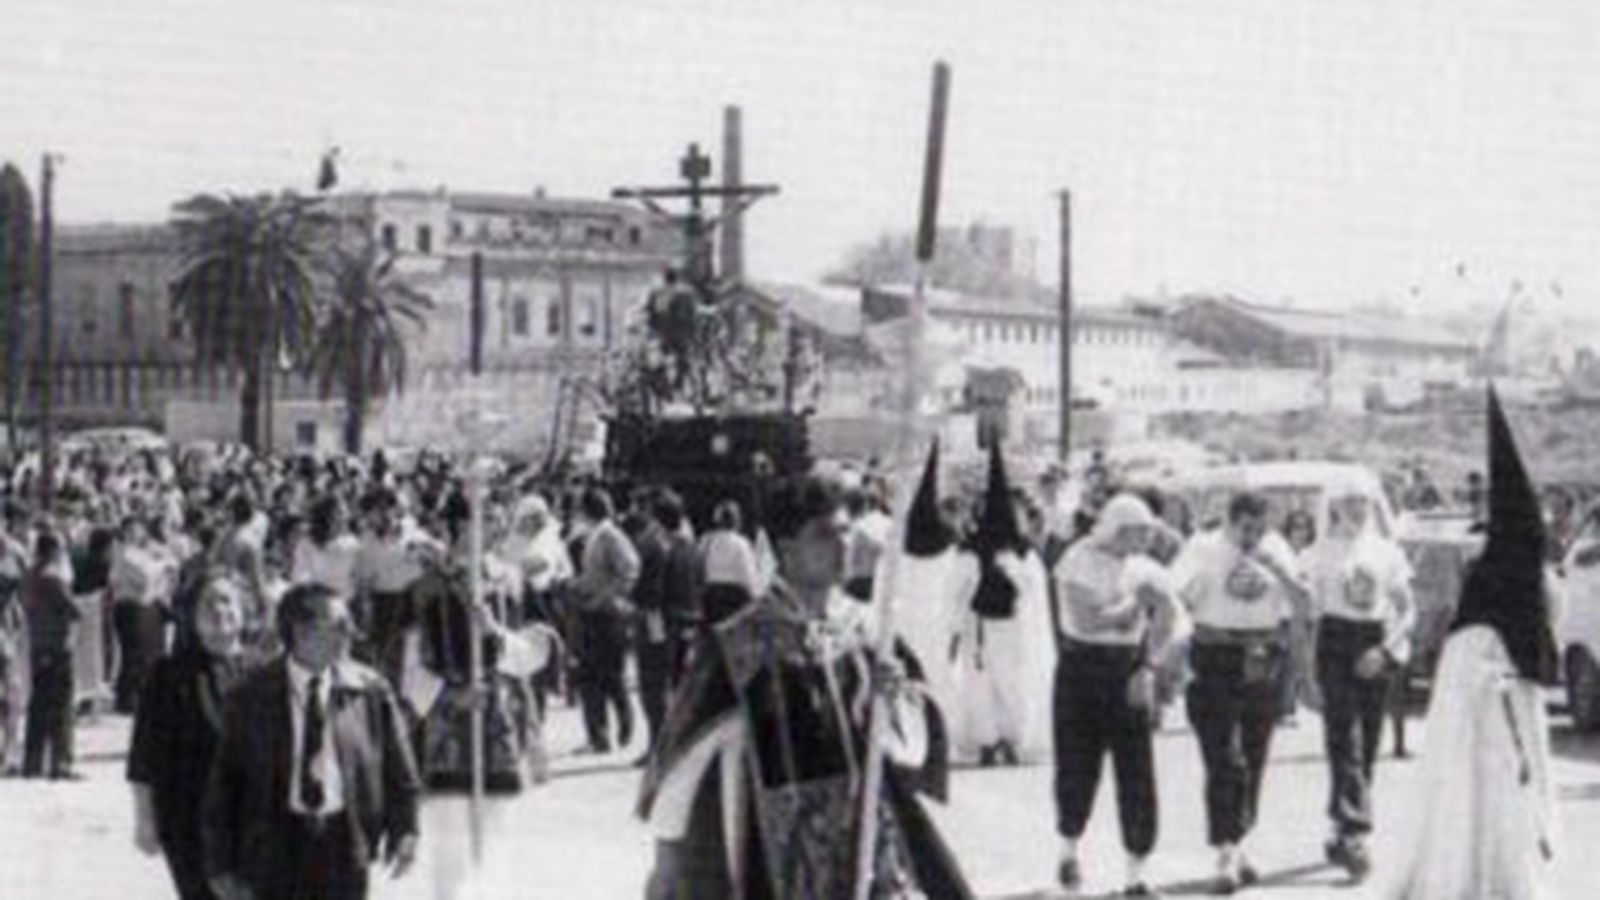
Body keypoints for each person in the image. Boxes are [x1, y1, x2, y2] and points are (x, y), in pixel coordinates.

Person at [638, 475, 974, 899]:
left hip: (868, 833)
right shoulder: (741, 641)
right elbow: (684, 755)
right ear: (785, 549)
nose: (843, 546)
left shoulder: (866, 627)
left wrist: (896, 700)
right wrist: (671, 856)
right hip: (774, 847)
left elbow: (908, 741)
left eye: (846, 532)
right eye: (824, 535)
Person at [1383, 388, 1561, 899]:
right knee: (1482, 788)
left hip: (1504, 696)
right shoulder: (1503, 578)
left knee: (1502, 790)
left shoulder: (1515, 574)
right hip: (1485, 703)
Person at [203, 582, 421, 900]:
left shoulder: (369, 690)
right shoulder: (251, 696)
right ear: (300, 631)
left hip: (345, 844)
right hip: (276, 846)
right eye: (339, 625)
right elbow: (224, 785)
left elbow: (400, 771)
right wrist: (219, 863)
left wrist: (406, 830)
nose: (350, 634)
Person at [1172, 492, 1311, 894]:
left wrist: (1278, 570)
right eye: (1245, 529)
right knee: (1224, 757)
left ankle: (1241, 839)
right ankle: (1225, 848)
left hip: (1263, 654)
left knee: (1254, 755)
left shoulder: (1276, 549)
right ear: (1229, 521)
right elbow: (1176, 600)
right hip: (1216, 653)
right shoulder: (1202, 548)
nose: (1251, 537)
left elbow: (1304, 603)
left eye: (1259, 529)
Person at [1052, 494, 1184, 897]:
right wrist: (1133, 605)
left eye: (1147, 532)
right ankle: (1069, 850)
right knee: (1077, 765)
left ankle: (1135, 874)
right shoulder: (1077, 559)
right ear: (1115, 529)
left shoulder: (1144, 567)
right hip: (1082, 667)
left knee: (1137, 771)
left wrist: (1149, 667)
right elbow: (1086, 621)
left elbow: (1170, 615)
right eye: (1136, 532)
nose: (1144, 540)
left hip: (1126, 668)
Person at [1303, 492, 1415, 881]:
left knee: (1367, 743)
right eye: (1350, 502)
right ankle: (1355, 832)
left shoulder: (1387, 552)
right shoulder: (1317, 554)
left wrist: (1384, 650)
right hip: (1334, 641)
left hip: (1374, 640)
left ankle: (1341, 825)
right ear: (1334, 507)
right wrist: (1306, 673)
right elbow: (1309, 618)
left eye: (1364, 502)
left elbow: (1408, 610)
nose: (1357, 510)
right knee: (1344, 738)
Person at [129, 577, 254, 900]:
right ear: (191, 616)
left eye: (227, 600)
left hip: (255, 818)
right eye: (208, 603)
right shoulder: (168, 675)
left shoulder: (266, 672)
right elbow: (145, 752)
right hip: (189, 817)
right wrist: (144, 818)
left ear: (244, 610)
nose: (219, 609)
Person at [953, 443, 1054, 766]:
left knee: (988, 683)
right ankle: (1004, 739)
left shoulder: (976, 553)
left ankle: (995, 740)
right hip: (998, 629)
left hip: (995, 629)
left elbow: (957, 595)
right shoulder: (1022, 554)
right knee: (1004, 682)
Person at [570, 488, 640, 754]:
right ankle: (598, 736)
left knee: (611, 675)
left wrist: (605, 597)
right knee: (589, 678)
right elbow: (596, 574)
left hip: (607, 614)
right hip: (590, 611)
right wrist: (577, 585)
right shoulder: (594, 536)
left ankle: (624, 721)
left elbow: (630, 569)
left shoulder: (610, 535)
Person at [19, 531, 81, 780]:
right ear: (54, 551)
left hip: (37, 643)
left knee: (38, 704)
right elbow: (73, 609)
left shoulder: (29, 575)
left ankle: (33, 761)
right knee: (61, 705)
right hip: (58, 645)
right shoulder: (54, 578)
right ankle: (61, 761)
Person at [698, 500, 759, 626]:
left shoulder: (706, 541)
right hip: (735, 602)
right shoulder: (742, 544)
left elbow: (698, 569)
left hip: (711, 599)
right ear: (737, 521)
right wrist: (755, 595)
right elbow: (749, 578)